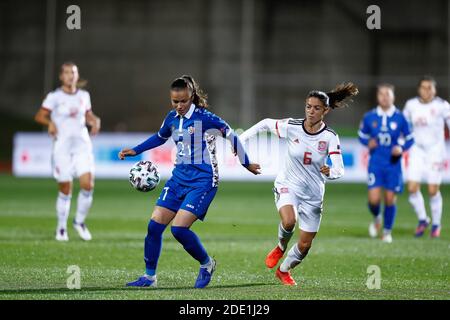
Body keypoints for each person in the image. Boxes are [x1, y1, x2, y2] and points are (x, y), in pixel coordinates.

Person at [119, 75, 260, 288]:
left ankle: (207, 263)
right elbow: (160, 137)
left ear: (192, 97)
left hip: (203, 181)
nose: (179, 106)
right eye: (175, 101)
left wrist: (245, 162)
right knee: (154, 226)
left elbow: (231, 134)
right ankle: (149, 278)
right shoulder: (172, 118)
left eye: (183, 101)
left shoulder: (206, 118)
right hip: (178, 179)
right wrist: (136, 150)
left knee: (178, 229)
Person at [239, 83, 358, 286]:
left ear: (325, 111)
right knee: (288, 221)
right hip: (288, 183)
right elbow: (266, 123)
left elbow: (340, 169)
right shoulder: (293, 126)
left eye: (317, 108)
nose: (311, 111)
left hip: (313, 194)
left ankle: (284, 270)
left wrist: (331, 172)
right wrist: (239, 140)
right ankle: (280, 246)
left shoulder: (330, 137)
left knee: (305, 245)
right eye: (308, 106)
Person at [34, 62, 101, 241]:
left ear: (77, 76)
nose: (70, 76)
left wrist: (94, 120)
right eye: (66, 73)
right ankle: (61, 227)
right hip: (62, 148)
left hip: (82, 146)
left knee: (88, 185)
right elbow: (40, 115)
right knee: (65, 188)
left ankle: (79, 222)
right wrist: (50, 123)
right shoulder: (54, 97)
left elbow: (87, 114)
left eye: (73, 72)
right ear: (61, 76)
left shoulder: (84, 95)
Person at [358, 83, 414, 243]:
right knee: (373, 200)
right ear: (378, 96)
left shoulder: (400, 117)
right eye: (381, 94)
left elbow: (410, 138)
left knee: (390, 199)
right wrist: (367, 142)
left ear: (393, 97)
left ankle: (387, 232)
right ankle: (377, 218)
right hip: (375, 163)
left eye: (387, 94)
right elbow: (361, 135)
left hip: (393, 165)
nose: (384, 97)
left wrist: (401, 148)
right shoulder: (369, 117)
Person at [403, 76, 450, 238]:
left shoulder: (442, 106)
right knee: (412, 188)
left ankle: (436, 224)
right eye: (424, 87)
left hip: (435, 151)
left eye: (430, 87)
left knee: (432, 190)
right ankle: (423, 220)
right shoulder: (411, 105)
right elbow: (404, 125)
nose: (427, 90)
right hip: (416, 150)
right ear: (419, 89)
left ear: (435, 90)